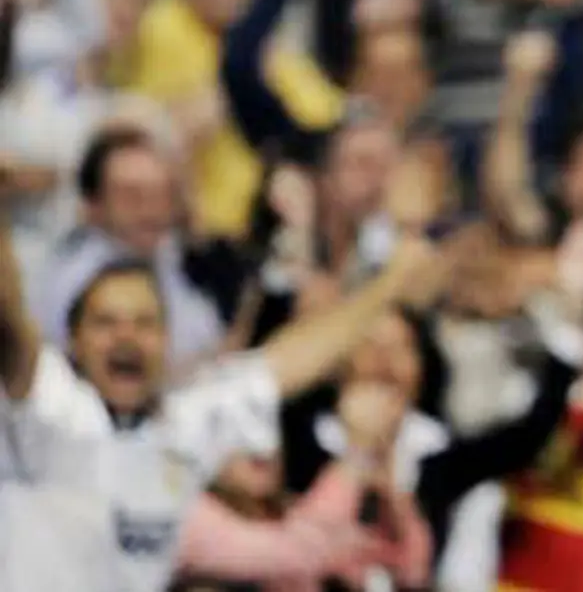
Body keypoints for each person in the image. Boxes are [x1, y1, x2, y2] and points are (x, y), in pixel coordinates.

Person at [0, 215, 442, 592]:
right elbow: (9, 316)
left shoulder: (184, 424)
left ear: (166, 341)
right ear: (73, 342)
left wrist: (391, 282)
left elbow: (290, 362)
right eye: (105, 322)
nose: (126, 337)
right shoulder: (46, 407)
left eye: (144, 322)